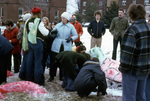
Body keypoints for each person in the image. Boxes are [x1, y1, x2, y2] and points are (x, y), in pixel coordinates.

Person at [119, 4, 150, 101]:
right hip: (145, 69)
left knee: (129, 97)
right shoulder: (148, 28)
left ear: (131, 15)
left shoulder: (132, 30)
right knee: (141, 96)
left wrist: (122, 68)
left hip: (132, 71)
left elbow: (127, 53)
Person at [47, 12, 78, 82]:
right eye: (62, 18)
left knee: (63, 61)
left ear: (67, 19)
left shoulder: (71, 26)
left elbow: (75, 35)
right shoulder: (58, 25)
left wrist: (71, 38)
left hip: (66, 45)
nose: (62, 19)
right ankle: (52, 76)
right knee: (53, 61)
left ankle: (62, 76)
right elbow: (53, 32)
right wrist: (53, 34)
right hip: (57, 44)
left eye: (64, 18)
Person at [23, 7, 49, 86]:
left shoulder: (27, 21)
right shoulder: (38, 21)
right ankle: (38, 81)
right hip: (37, 42)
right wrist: (48, 30)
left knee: (30, 61)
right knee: (38, 62)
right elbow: (45, 33)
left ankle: (29, 79)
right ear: (39, 14)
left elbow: (26, 33)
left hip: (30, 42)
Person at [17, 12, 31, 80]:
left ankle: (22, 75)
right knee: (28, 60)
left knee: (25, 60)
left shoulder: (22, 26)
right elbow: (18, 37)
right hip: (29, 45)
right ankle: (27, 76)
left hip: (24, 45)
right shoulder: (29, 26)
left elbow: (19, 37)